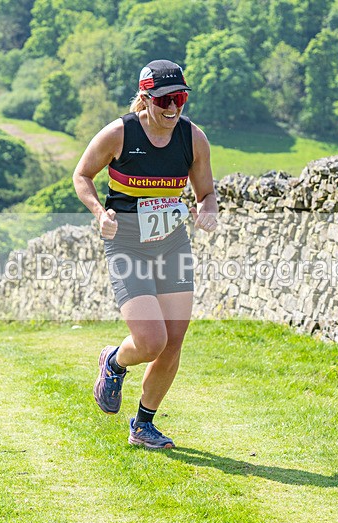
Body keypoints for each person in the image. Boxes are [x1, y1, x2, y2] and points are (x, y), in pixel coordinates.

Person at [72, 59, 218, 449]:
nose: (173, 109)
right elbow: (82, 175)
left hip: (171, 242)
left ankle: (143, 425)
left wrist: (208, 208)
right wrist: (99, 213)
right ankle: (115, 361)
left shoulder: (193, 138)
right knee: (151, 340)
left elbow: (206, 192)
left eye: (180, 99)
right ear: (145, 97)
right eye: (164, 100)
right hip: (127, 243)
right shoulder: (119, 133)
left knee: (174, 339)